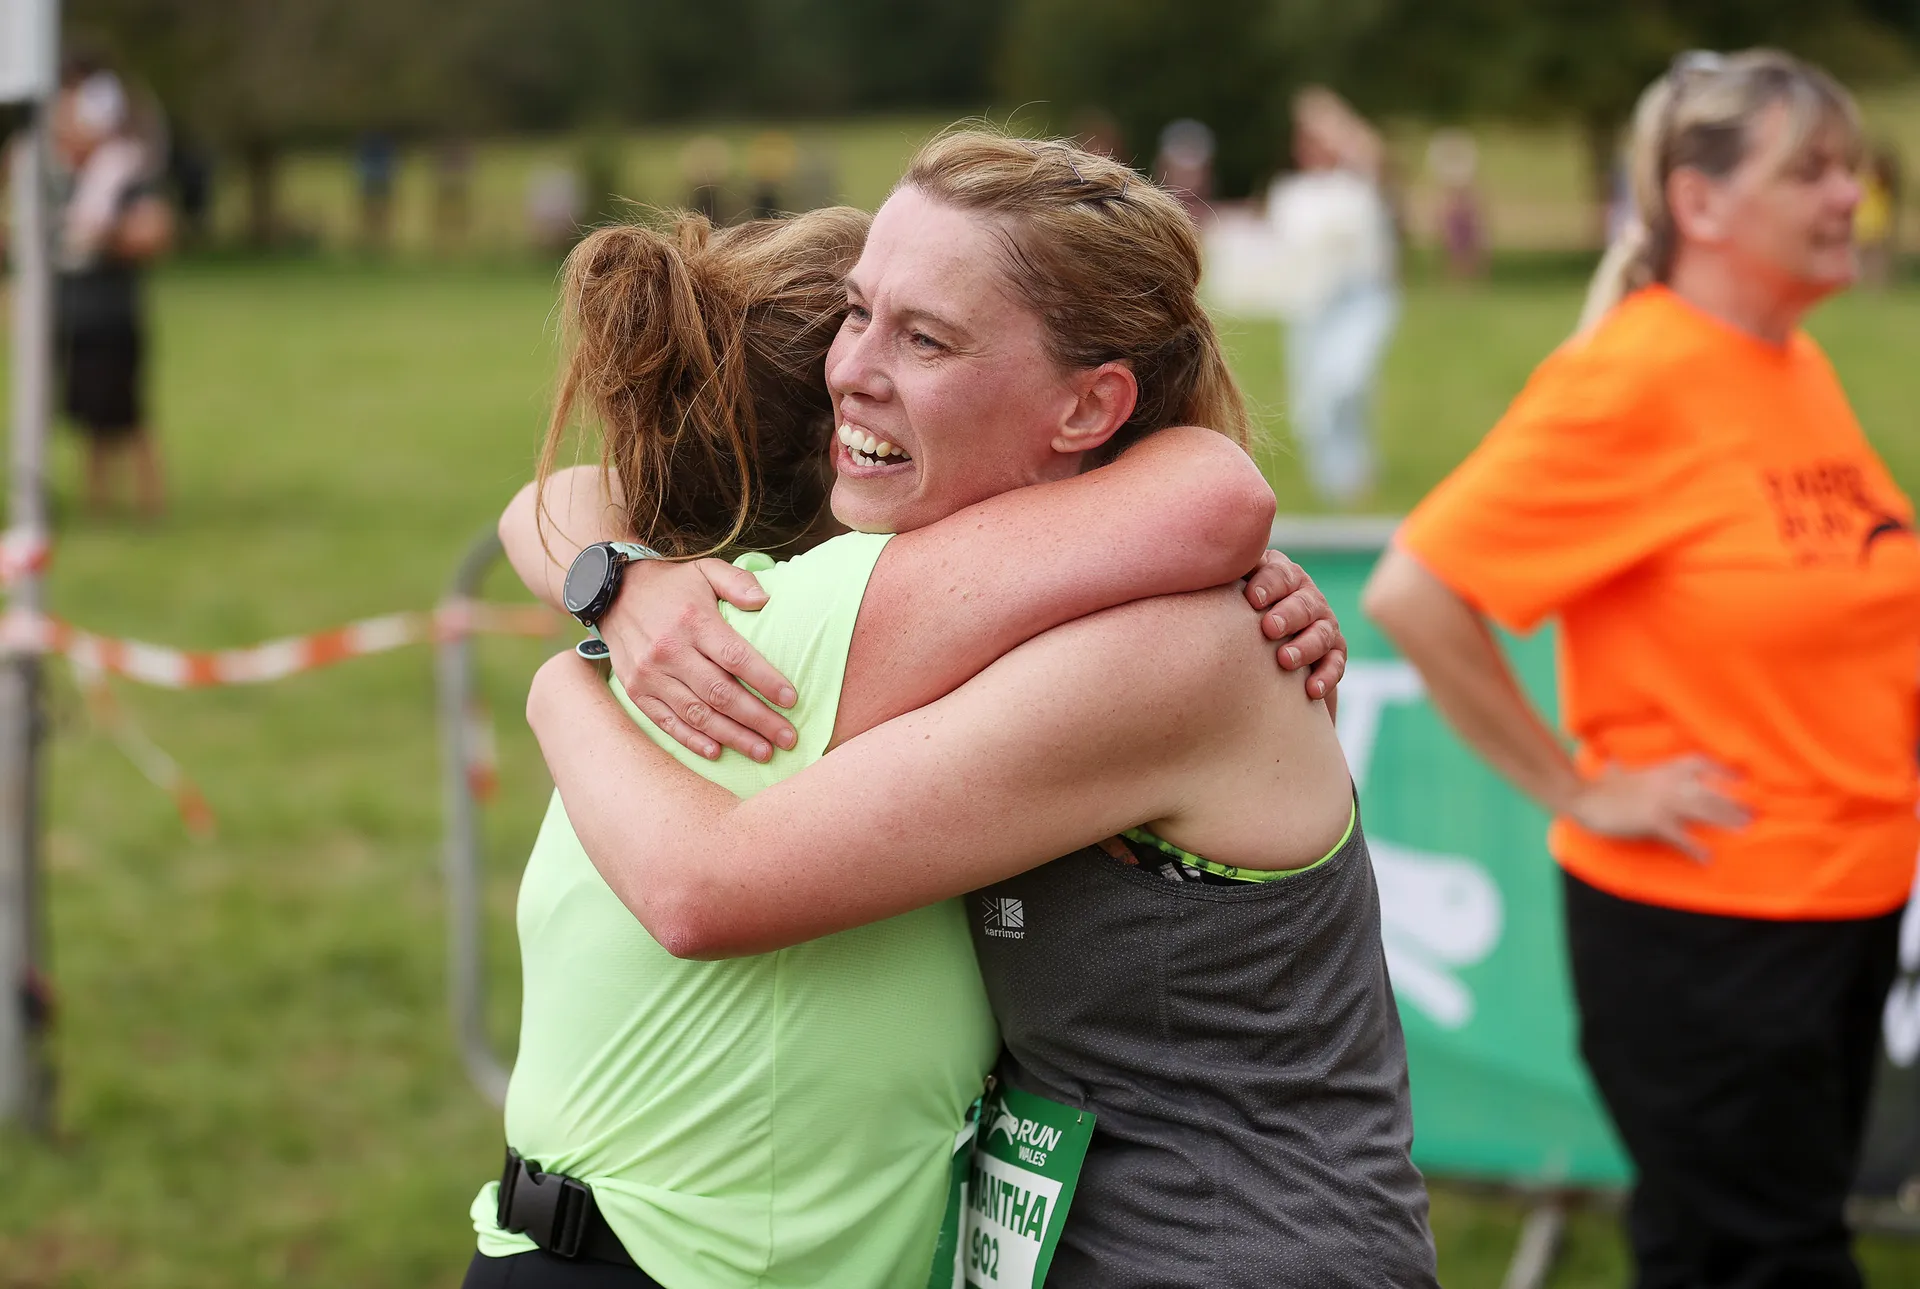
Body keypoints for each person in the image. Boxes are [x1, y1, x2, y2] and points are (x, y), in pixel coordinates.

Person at [508, 130, 1436, 1288]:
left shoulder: (1169, 647)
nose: (852, 368)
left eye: (927, 336)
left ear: (1089, 409)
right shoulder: (1008, 600)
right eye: (857, 313)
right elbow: (547, 500)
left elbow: (711, 883)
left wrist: (564, 679)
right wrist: (620, 574)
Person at [1363, 50, 1916, 1289]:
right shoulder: (1632, 378)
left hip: (1842, 902)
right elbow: (1417, 590)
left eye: (1853, 169)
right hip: (1710, 925)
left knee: (1761, 1238)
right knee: (1765, 1258)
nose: (1851, 198)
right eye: (1812, 172)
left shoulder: (1793, 362)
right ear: (1699, 201)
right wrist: (1581, 788)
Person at [1266, 87, 1399, 509]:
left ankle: (1356, 471)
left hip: (1361, 301)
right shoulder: (1291, 194)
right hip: (1313, 307)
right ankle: (1336, 484)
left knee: (1348, 383)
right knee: (1316, 400)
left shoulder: (1356, 186)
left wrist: (1331, 118)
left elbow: (1374, 156)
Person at [50, 62, 171, 517]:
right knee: (91, 419)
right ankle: (96, 503)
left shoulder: (125, 171)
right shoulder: (61, 176)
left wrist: (107, 233)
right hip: (74, 311)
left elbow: (155, 233)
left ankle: (149, 503)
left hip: (113, 312)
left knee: (128, 414)